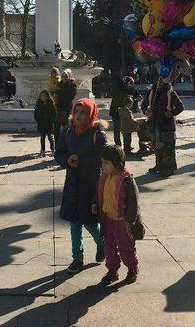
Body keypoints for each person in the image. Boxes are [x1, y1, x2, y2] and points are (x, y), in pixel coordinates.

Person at [55, 98, 108, 274]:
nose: (78, 115)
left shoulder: (97, 134)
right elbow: (59, 153)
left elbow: (104, 160)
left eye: (82, 112)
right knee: (74, 223)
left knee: (90, 222)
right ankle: (77, 258)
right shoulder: (67, 130)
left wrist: (82, 161)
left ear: (91, 113)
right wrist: (67, 161)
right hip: (72, 183)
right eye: (76, 111)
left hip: (90, 185)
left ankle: (102, 243)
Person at [93, 144, 141, 285]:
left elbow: (134, 202)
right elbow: (99, 192)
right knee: (109, 248)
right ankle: (112, 271)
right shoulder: (105, 176)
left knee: (126, 248)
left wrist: (130, 220)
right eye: (102, 162)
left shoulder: (126, 179)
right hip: (108, 220)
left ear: (117, 163)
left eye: (106, 163)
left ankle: (132, 268)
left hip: (122, 222)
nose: (103, 166)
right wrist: (95, 204)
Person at [145, 79, 184, 177]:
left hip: (167, 125)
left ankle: (169, 168)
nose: (159, 82)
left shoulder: (170, 92)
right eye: (158, 80)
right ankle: (159, 165)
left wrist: (171, 113)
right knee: (157, 146)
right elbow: (144, 104)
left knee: (168, 147)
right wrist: (146, 111)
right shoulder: (152, 91)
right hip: (155, 124)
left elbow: (180, 106)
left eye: (162, 80)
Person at [54, 69, 78, 143]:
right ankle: (57, 143)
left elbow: (70, 97)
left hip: (67, 108)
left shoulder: (72, 85)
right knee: (56, 127)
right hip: (58, 107)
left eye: (66, 76)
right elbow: (56, 93)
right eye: (63, 76)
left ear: (69, 77)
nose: (64, 78)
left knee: (66, 126)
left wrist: (60, 96)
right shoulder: (59, 84)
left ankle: (66, 142)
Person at [34, 90, 57, 156]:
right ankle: (42, 150)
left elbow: (54, 114)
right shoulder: (38, 104)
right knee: (42, 137)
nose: (42, 97)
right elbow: (36, 113)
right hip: (41, 123)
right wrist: (38, 120)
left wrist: (51, 121)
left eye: (44, 96)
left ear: (47, 96)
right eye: (41, 96)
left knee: (50, 137)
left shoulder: (51, 104)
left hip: (49, 123)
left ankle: (53, 149)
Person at [108, 74, 127, 146]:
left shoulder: (115, 89)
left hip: (114, 112)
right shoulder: (122, 90)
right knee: (123, 129)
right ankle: (123, 144)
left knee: (117, 129)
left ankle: (118, 143)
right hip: (118, 112)